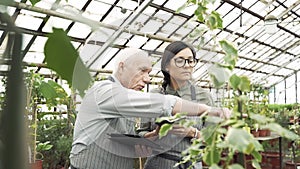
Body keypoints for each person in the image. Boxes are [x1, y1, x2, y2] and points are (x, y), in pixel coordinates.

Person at [69, 47, 230, 169]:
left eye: (149, 73)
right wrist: (207, 109)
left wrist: (153, 137)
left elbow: (127, 144)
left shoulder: (127, 102)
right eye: (142, 71)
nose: (147, 79)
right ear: (122, 67)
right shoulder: (104, 91)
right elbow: (162, 103)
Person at [138, 41, 214, 169]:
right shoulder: (155, 96)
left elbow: (214, 140)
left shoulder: (204, 96)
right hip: (160, 164)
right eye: (180, 61)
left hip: (192, 165)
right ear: (167, 66)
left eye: (190, 61)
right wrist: (156, 133)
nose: (186, 66)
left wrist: (192, 132)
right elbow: (141, 134)